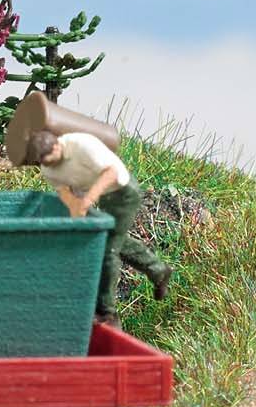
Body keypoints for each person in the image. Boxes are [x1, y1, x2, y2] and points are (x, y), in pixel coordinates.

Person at [30, 129, 173, 320]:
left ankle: (106, 310)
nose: (50, 165)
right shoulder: (47, 167)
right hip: (105, 196)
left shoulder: (81, 145)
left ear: (57, 146)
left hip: (123, 191)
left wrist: (87, 200)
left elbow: (111, 173)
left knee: (108, 248)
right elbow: (64, 191)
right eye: (45, 162)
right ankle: (158, 270)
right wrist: (75, 210)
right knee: (116, 239)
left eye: (52, 159)